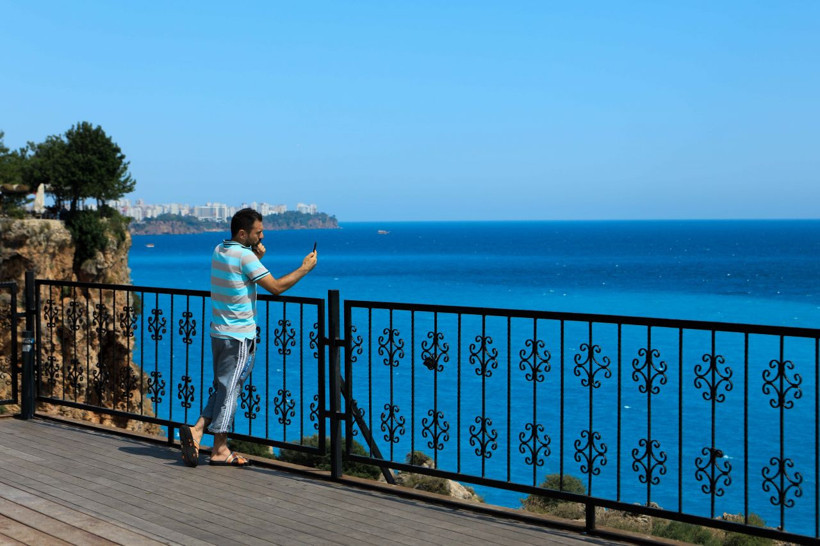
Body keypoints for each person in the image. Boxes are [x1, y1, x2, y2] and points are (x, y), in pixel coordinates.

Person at [179, 208, 317, 467]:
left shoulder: (219, 249)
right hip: (239, 336)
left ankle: (198, 430)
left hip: (218, 332)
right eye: (258, 232)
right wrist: (304, 268)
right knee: (231, 390)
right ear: (243, 233)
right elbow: (276, 288)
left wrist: (254, 255)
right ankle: (219, 448)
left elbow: (237, 276)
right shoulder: (245, 256)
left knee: (225, 386)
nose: (262, 236)